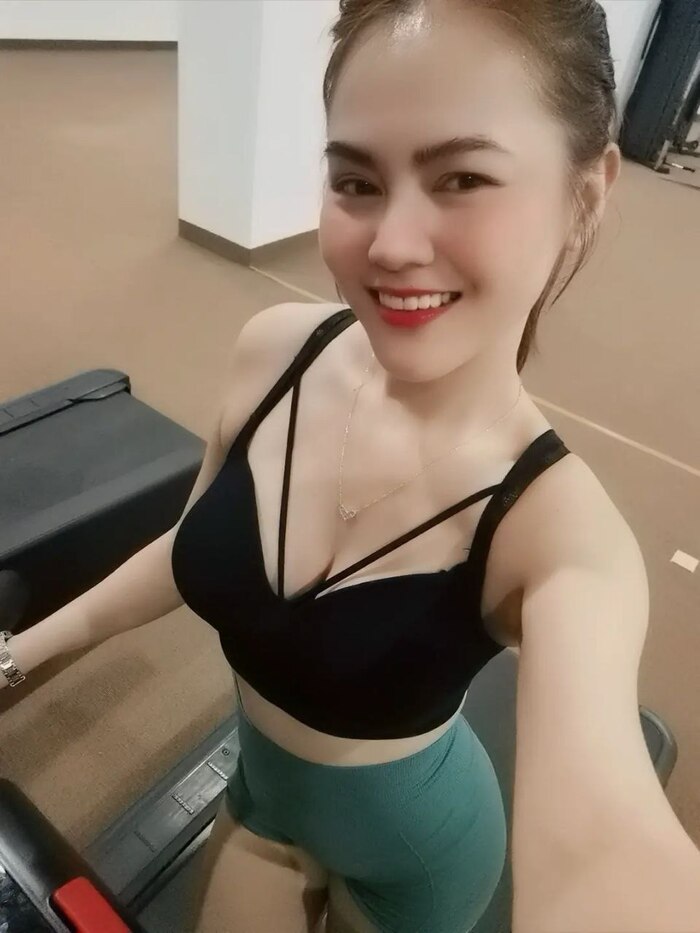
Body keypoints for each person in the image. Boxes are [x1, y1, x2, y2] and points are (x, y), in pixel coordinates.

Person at [4, 1, 700, 931]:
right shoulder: (274, 349)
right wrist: (15, 654)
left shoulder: (564, 535)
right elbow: (189, 548)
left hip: (416, 858)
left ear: (585, 194)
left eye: (461, 177)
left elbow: (601, 843)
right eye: (357, 181)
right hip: (264, 805)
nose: (392, 246)